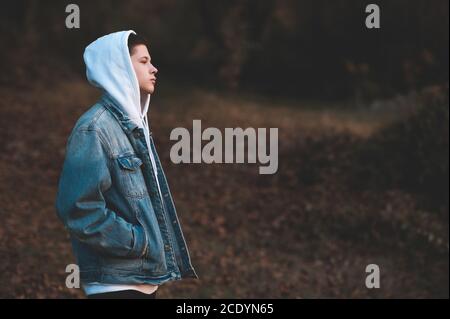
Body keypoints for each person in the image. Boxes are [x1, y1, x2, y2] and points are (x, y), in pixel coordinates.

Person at [55, 30, 198, 299]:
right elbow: (78, 209)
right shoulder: (94, 129)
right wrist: (139, 242)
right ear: (119, 66)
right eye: (143, 62)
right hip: (115, 284)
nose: (154, 69)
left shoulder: (135, 127)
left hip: (143, 280)